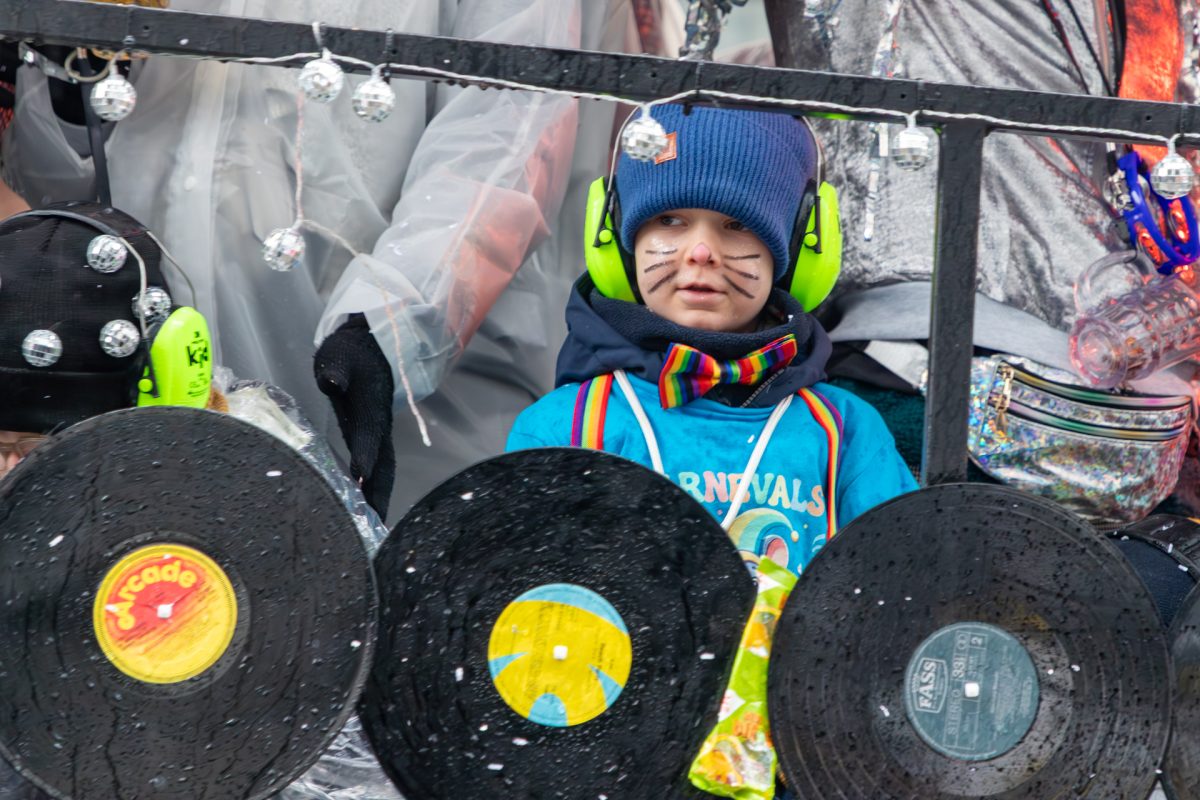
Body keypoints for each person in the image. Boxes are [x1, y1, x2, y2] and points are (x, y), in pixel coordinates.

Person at [0, 0, 686, 522]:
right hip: (151, 386)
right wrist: (71, 81)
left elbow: (506, 138)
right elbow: (63, 189)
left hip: (402, 406)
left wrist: (386, 327)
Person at [0, 202, 398, 800]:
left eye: (37, 450)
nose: (11, 477)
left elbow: (333, 752)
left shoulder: (266, 516)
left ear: (160, 411)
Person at [507, 103, 917, 577]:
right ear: (617, 241)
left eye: (738, 225)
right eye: (669, 220)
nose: (701, 252)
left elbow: (897, 592)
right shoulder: (565, 427)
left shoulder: (844, 433)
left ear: (801, 250)